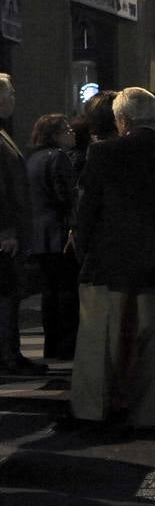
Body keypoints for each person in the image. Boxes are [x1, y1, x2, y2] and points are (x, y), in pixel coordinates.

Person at [68, 87, 155, 436]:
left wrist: (83, 253)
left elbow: (87, 213)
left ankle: (94, 411)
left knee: (100, 343)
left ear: (121, 120)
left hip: (109, 265)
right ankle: (150, 414)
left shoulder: (103, 155)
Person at [0, 74, 46, 376]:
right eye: (10, 93)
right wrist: (7, 228)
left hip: (12, 229)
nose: (14, 98)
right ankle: (7, 356)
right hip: (6, 234)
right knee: (4, 295)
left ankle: (10, 353)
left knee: (10, 295)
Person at [25, 114, 79, 360]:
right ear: (55, 134)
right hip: (57, 231)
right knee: (66, 291)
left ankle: (52, 344)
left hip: (39, 233)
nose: (72, 133)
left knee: (49, 292)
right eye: (67, 129)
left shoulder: (33, 158)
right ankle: (66, 345)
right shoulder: (58, 157)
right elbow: (64, 195)